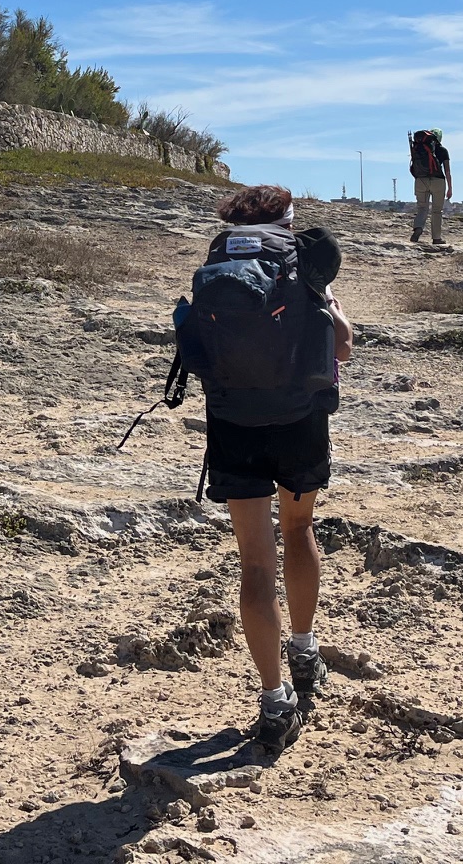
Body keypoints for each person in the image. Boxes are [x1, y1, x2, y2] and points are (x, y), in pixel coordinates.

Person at [178, 183, 353, 751]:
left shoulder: (219, 260)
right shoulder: (301, 261)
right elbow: (343, 346)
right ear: (287, 219)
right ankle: (304, 650)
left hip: (232, 422)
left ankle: (275, 703)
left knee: (254, 561)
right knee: (299, 530)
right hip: (299, 419)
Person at [407, 129, 453, 244]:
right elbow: (447, 171)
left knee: (422, 208)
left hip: (420, 180)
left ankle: (418, 228)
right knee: (437, 211)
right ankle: (436, 238)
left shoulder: (418, 148)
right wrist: (450, 188)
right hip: (438, 181)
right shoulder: (442, 150)